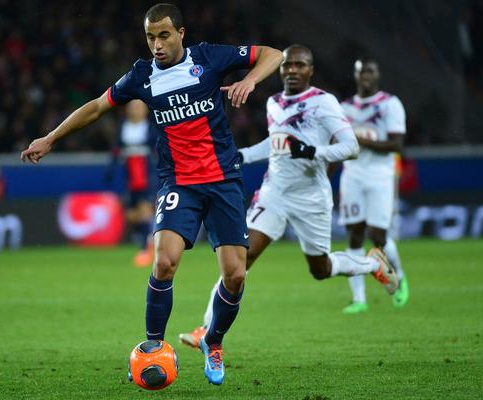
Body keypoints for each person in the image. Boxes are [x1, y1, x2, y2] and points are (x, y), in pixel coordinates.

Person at [20, 3, 283, 385]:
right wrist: (51, 138)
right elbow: (97, 107)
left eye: (163, 35)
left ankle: (213, 341)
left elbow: (272, 54)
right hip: (179, 183)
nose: (156, 45)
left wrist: (251, 80)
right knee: (163, 262)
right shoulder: (142, 75)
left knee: (235, 274)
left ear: (180, 33)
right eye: (150, 37)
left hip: (223, 180)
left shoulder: (208, 58)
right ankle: (152, 348)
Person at [178, 45, 399, 348]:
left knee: (320, 269)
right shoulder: (274, 102)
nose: (292, 70)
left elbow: (351, 147)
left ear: (311, 70)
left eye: (300, 65)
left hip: (311, 197)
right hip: (274, 194)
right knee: (241, 260)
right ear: (280, 70)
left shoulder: (324, 102)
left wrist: (312, 151)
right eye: (287, 65)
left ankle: (372, 264)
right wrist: (242, 155)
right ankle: (206, 329)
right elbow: (276, 143)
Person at [338, 57, 409, 314]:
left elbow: (397, 144)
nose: (366, 75)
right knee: (354, 234)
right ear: (356, 75)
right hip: (352, 175)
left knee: (378, 236)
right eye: (362, 71)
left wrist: (361, 141)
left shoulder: (390, 104)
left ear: (377, 75)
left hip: (380, 175)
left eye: (370, 71)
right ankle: (359, 299)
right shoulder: (344, 107)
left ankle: (398, 277)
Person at [106, 99, 156, 267]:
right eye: (132, 107)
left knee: (145, 209)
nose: (135, 110)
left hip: (146, 174)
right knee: (130, 213)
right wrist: (111, 170)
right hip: (128, 174)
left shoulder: (151, 127)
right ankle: (150, 237)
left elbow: (157, 149)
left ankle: (145, 249)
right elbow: (116, 150)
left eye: (139, 107)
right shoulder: (122, 127)